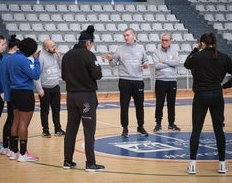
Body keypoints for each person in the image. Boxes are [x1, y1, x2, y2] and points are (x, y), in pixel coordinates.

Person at [184, 32, 232, 174]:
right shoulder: (223, 57)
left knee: (196, 130)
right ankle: (222, 164)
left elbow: (186, 64)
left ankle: (192, 165)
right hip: (216, 95)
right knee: (219, 130)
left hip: (201, 96)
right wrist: (225, 86)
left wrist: (196, 49)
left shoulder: (197, 57)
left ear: (202, 43)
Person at [61, 25, 105, 171]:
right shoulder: (88, 55)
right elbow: (98, 75)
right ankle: (90, 163)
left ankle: (67, 161)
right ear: (88, 43)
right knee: (88, 130)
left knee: (71, 128)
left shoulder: (66, 55)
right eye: (91, 44)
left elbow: (63, 76)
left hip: (71, 96)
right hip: (86, 96)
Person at [102, 28, 149, 138]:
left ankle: (140, 127)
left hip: (138, 81)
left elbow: (146, 61)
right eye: (124, 35)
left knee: (140, 106)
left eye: (127, 35)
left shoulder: (140, 48)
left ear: (133, 35)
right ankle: (125, 128)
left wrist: (146, 65)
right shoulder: (120, 49)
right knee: (124, 106)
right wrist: (110, 59)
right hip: (124, 81)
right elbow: (114, 64)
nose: (126, 37)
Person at [5, 37, 41, 162]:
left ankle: (14, 152)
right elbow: (35, 75)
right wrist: (36, 60)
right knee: (23, 123)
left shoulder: (10, 58)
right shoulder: (24, 60)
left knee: (15, 121)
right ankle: (23, 153)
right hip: (25, 92)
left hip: (13, 92)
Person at [34, 39, 65, 138]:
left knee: (56, 110)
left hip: (55, 87)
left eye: (55, 45)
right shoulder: (41, 57)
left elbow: (62, 68)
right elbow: (36, 75)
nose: (55, 48)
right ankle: (45, 130)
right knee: (45, 111)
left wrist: (60, 57)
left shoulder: (55, 55)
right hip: (45, 88)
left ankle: (58, 129)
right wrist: (39, 89)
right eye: (52, 46)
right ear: (46, 48)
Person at [151, 33, 181, 132]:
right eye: (163, 40)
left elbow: (177, 63)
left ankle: (171, 124)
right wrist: (170, 62)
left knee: (171, 103)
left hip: (172, 81)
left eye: (166, 40)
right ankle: (158, 124)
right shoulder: (156, 52)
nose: (164, 42)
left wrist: (164, 61)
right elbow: (157, 65)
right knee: (159, 103)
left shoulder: (175, 51)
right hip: (160, 81)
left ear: (170, 41)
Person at [0, 34, 21, 156]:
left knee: (10, 119)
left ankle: (6, 146)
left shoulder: (5, 58)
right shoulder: (10, 59)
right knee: (12, 120)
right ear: (16, 47)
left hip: (9, 92)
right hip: (12, 92)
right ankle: (9, 147)